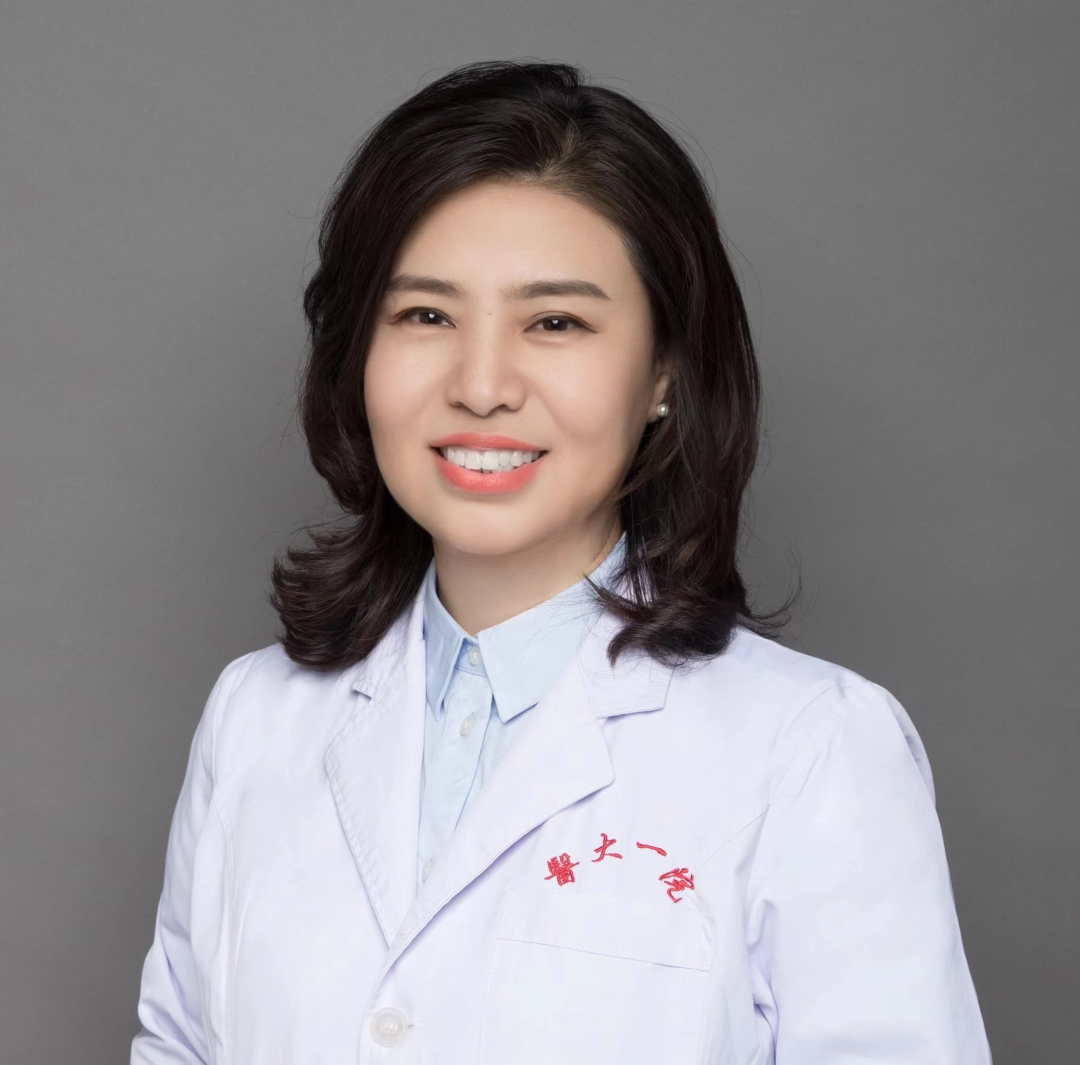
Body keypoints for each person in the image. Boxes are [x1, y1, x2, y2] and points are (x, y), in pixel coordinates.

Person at [131, 60, 992, 1064]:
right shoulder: (254, 718)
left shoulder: (814, 751)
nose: (481, 385)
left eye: (555, 323)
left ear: (664, 373)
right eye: (425, 316)